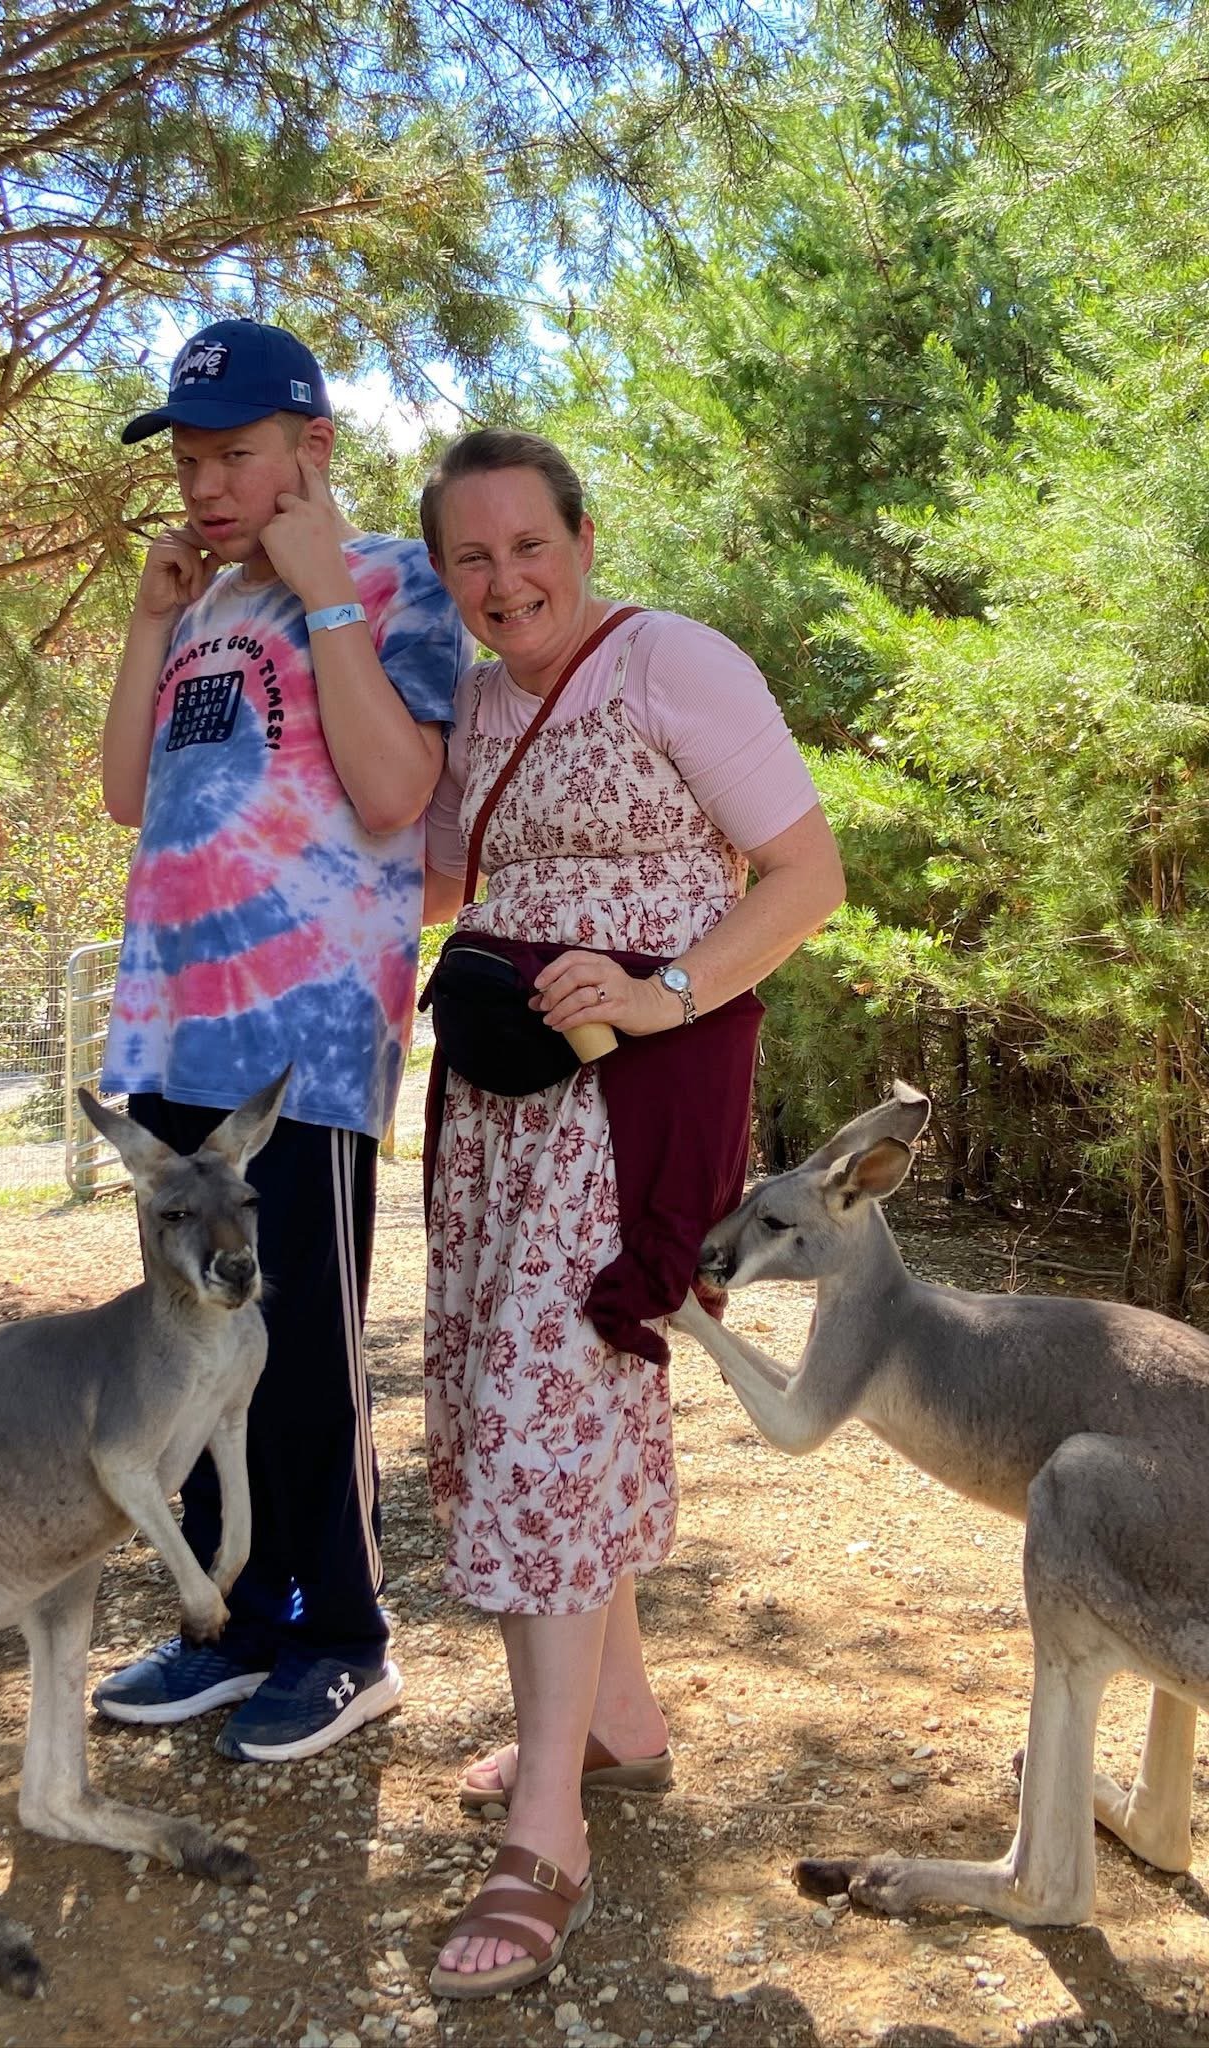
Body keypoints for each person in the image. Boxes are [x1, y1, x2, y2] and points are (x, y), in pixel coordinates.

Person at [417, 428, 845, 1996]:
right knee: (536, 1406)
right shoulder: (475, 706)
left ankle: (548, 1836)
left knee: (550, 1417)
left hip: (623, 1110)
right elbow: (443, 879)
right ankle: (617, 1717)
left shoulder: (674, 663)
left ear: (582, 539)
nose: (504, 580)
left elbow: (805, 877)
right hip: (495, 1128)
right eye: (471, 557)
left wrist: (666, 991)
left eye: (528, 544)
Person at [92, 318, 468, 1762]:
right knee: (192, 1351)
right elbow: (130, 796)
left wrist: (322, 596)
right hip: (169, 1038)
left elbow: (392, 794)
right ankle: (237, 1626)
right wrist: (146, 622)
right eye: (188, 457)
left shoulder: (393, 583)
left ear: (312, 448)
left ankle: (344, 1639)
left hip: (298, 1049)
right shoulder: (194, 609)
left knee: (299, 1351)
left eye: (234, 453)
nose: (203, 483)